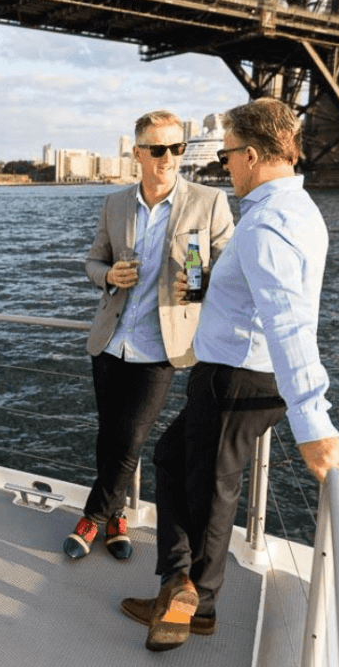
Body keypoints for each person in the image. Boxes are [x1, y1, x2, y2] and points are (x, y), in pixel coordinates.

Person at [119, 98, 339, 652]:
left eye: (226, 157)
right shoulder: (296, 209)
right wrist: (200, 290)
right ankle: (181, 586)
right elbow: (260, 298)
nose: (224, 167)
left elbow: (287, 319)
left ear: (251, 154)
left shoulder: (268, 222)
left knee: (211, 494)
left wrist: (313, 423)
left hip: (236, 380)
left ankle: (193, 605)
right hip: (244, 374)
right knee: (176, 462)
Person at [64, 110, 234, 561]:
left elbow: (233, 273)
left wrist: (201, 285)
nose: (168, 158)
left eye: (176, 148)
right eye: (157, 149)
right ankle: (118, 516)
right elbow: (92, 262)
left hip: (162, 347)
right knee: (111, 436)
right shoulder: (115, 204)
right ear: (137, 153)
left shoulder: (209, 202)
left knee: (131, 437)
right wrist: (108, 276)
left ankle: (91, 519)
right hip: (111, 340)